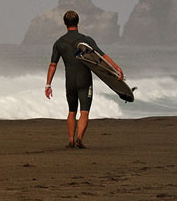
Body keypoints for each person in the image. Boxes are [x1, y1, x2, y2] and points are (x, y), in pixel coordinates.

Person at [45, 10, 124, 149]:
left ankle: (71, 140)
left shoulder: (59, 43)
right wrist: (116, 68)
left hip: (70, 81)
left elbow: (53, 65)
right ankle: (79, 139)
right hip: (84, 80)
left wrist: (48, 85)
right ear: (78, 22)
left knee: (71, 111)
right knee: (84, 111)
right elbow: (102, 56)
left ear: (64, 23)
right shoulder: (86, 40)